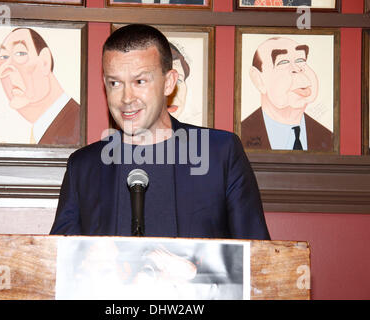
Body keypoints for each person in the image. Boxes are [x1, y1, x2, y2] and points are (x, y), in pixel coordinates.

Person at [50, 24, 270, 240]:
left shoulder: (220, 153)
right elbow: (60, 262)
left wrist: (195, 270)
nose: (127, 98)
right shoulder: (84, 166)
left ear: (169, 83)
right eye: (115, 83)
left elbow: (257, 259)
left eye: (140, 81)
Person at [241, 36, 333, 151]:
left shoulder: (328, 138)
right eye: (283, 62)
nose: (298, 69)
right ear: (258, 79)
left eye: (301, 60)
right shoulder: (239, 136)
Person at [0, 27, 81, 146]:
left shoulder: (77, 124)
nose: (3, 70)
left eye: (20, 53)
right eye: (3, 57)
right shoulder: (40, 129)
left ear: (45, 62)